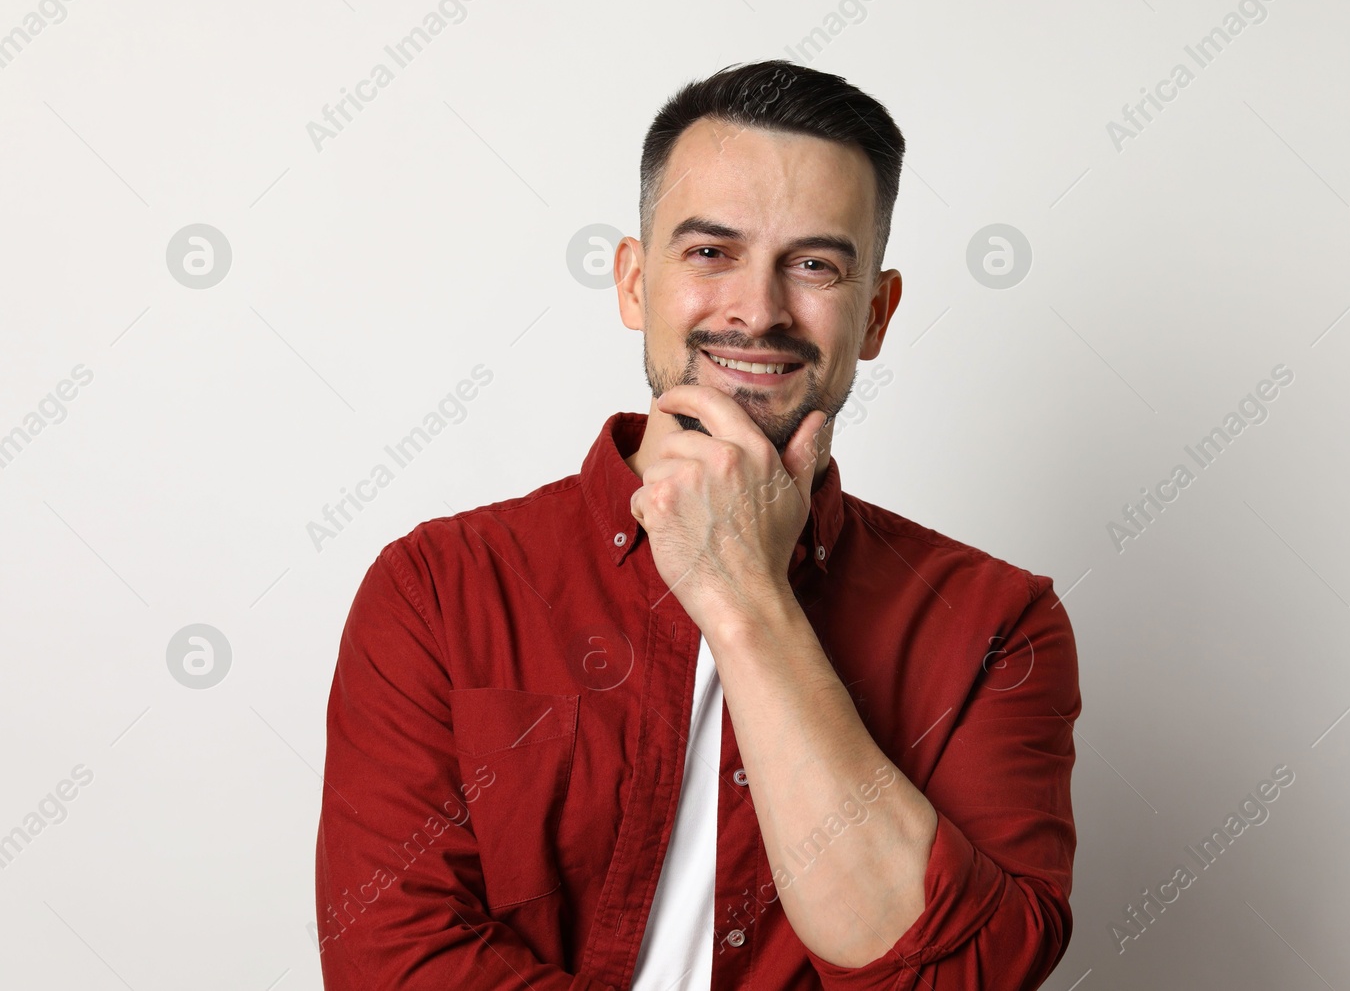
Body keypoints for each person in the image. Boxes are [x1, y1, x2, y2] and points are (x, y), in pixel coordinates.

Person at [314, 59, 1081, 990]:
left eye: (814, 265)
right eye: (711, 252)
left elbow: (960, 976)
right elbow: (395, 964)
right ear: (636, 284)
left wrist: (743, 592)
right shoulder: (437, 587)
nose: (757, 310)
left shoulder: (997, 627)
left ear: (875, 315)